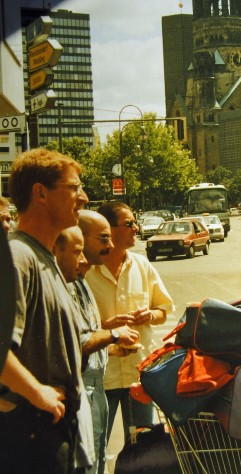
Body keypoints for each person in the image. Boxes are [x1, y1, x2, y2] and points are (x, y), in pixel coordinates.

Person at [0, 148, 89, 474]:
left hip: (50, 428)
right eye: (74, 188)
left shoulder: (43, 257)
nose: (83, 197)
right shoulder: (19, 258)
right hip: (32, 433)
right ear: (40, 193)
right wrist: (37, 393)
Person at [54, 218, 140, 474]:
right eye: (104, 239)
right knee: (87, 465)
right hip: (82, 391)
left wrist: (110, 345)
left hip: (96, 387)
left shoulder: (80, 278)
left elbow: (86, 334)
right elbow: (74, 343)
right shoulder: (67, 280)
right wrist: (113, 333)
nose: (110, 245)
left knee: (99, 458)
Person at [86, 201, 174, 442]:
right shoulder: (86, 271)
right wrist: (106, 326)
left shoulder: (141, 265)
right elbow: (77, 326)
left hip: (139, 374)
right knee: (96, 445)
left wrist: (150, 315)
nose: (136, 228)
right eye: (129, 223)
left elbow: (163, 310)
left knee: (143, 446)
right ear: (109, 229)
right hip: (103, 377)